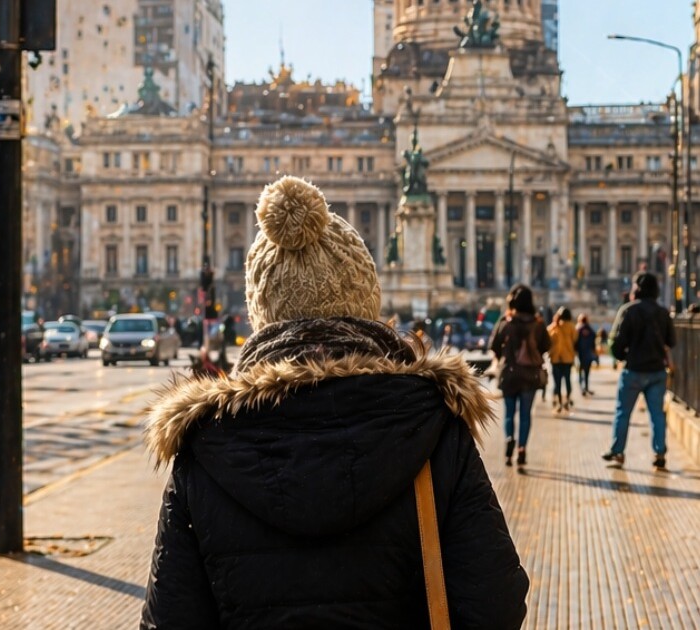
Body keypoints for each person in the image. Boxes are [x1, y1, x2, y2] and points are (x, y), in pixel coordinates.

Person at [141, 176, 528, 628]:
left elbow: (169, 619)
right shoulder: (433, 426)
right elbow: (496, 600)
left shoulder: (205, 445)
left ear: (260, 309)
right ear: (365, 298)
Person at [603, 271, 676, 470]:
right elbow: (672, 341)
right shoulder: (662, 312)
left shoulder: (628, 310)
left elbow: (616, 344)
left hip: (634, 370)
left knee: (623, 412)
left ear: (637, 289)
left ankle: (618, 451)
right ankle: (660, 453)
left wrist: (624, 357)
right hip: (656, 371)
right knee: (657, 415)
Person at [489, 284, 551, 467]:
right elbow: (546, 346)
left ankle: (509, 439)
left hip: (509, 374)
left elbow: (494, 346)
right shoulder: (538, 324)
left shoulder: (505, 321)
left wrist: (505, 357)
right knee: (525, 414)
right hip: (530, 376)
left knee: (509, 414)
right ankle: (522, 448)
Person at [547, 306, 578, 413]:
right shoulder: (572, 327)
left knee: (557, 382)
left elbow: (547, 340)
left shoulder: (553, 327)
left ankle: (559, 401)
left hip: (555, 358)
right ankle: (567, 399)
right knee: (568, 380)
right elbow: (575, 339)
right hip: (568, 358)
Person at [576, 313, 598, 396]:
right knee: (587, 373)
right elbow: (594, 341)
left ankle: (582, 388)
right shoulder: (590, 330)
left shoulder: (578, 329)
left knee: (580, 371)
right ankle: (586, 387)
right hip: (588, 355)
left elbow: (574, 342)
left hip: (580, 355)